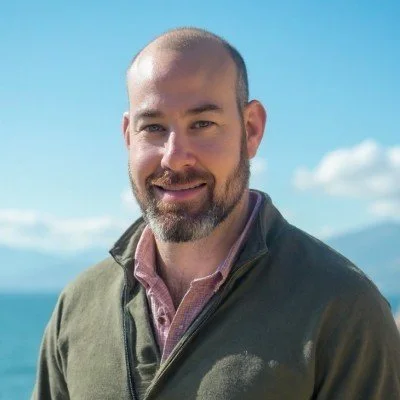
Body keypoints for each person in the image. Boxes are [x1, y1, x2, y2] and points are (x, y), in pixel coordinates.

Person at [32, 27, 400, 400]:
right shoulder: (78, 305)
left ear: (251, 130)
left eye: (202, 124)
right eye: (154, 127)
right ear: (129, 136)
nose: (174, 157)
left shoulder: (343, 308)